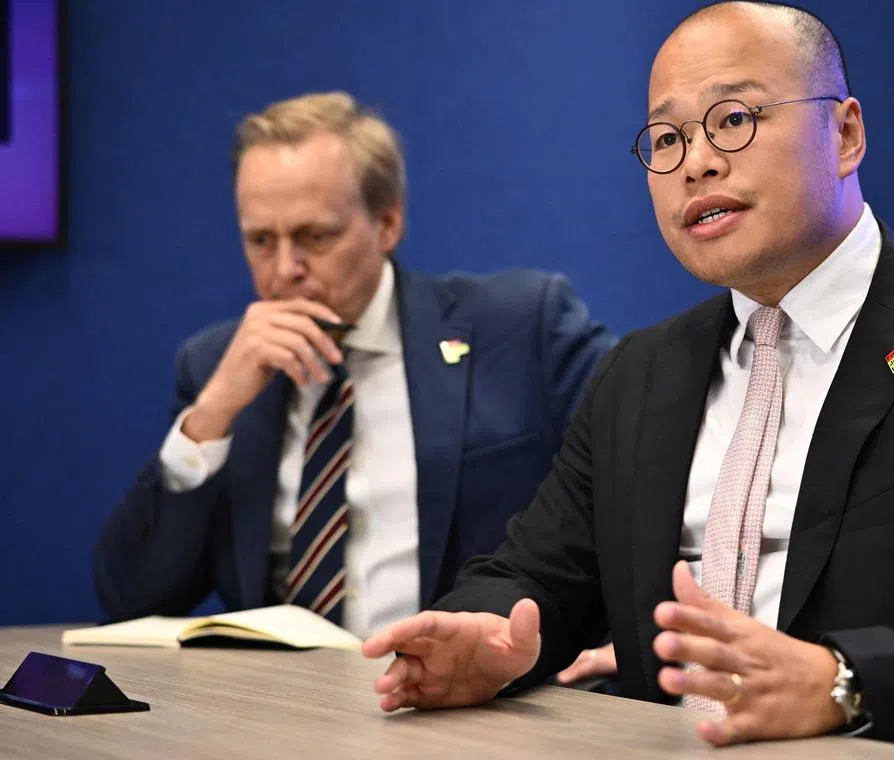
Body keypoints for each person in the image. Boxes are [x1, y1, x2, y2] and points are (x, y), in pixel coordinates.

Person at [361, 3, 894, 758]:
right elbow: (539, 576)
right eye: (666, 137)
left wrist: (847, 682)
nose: (696, 161)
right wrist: (485, 634)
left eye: (734, 119)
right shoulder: (641, 372)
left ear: (844, 133)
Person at [94, 92, 616, 641]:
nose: (285, 269)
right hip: (280, 710)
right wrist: (212, 415)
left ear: (387, 223)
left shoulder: (519, 327)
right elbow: (130, 598)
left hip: (473, 701)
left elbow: (642, 492)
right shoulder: (214, 368)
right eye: (260, 240)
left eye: (315, 236)